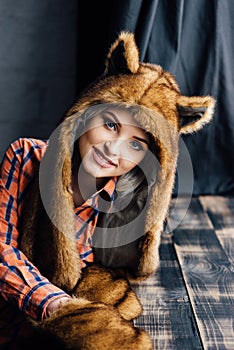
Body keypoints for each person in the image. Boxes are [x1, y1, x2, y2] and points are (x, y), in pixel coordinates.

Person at [0, 31, 215, 349]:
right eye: (110, 124)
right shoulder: (27, 157)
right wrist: (62, 307)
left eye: (135, 144)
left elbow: (104, 269)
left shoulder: (124, 203)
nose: (113, 150)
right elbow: (3, 252)